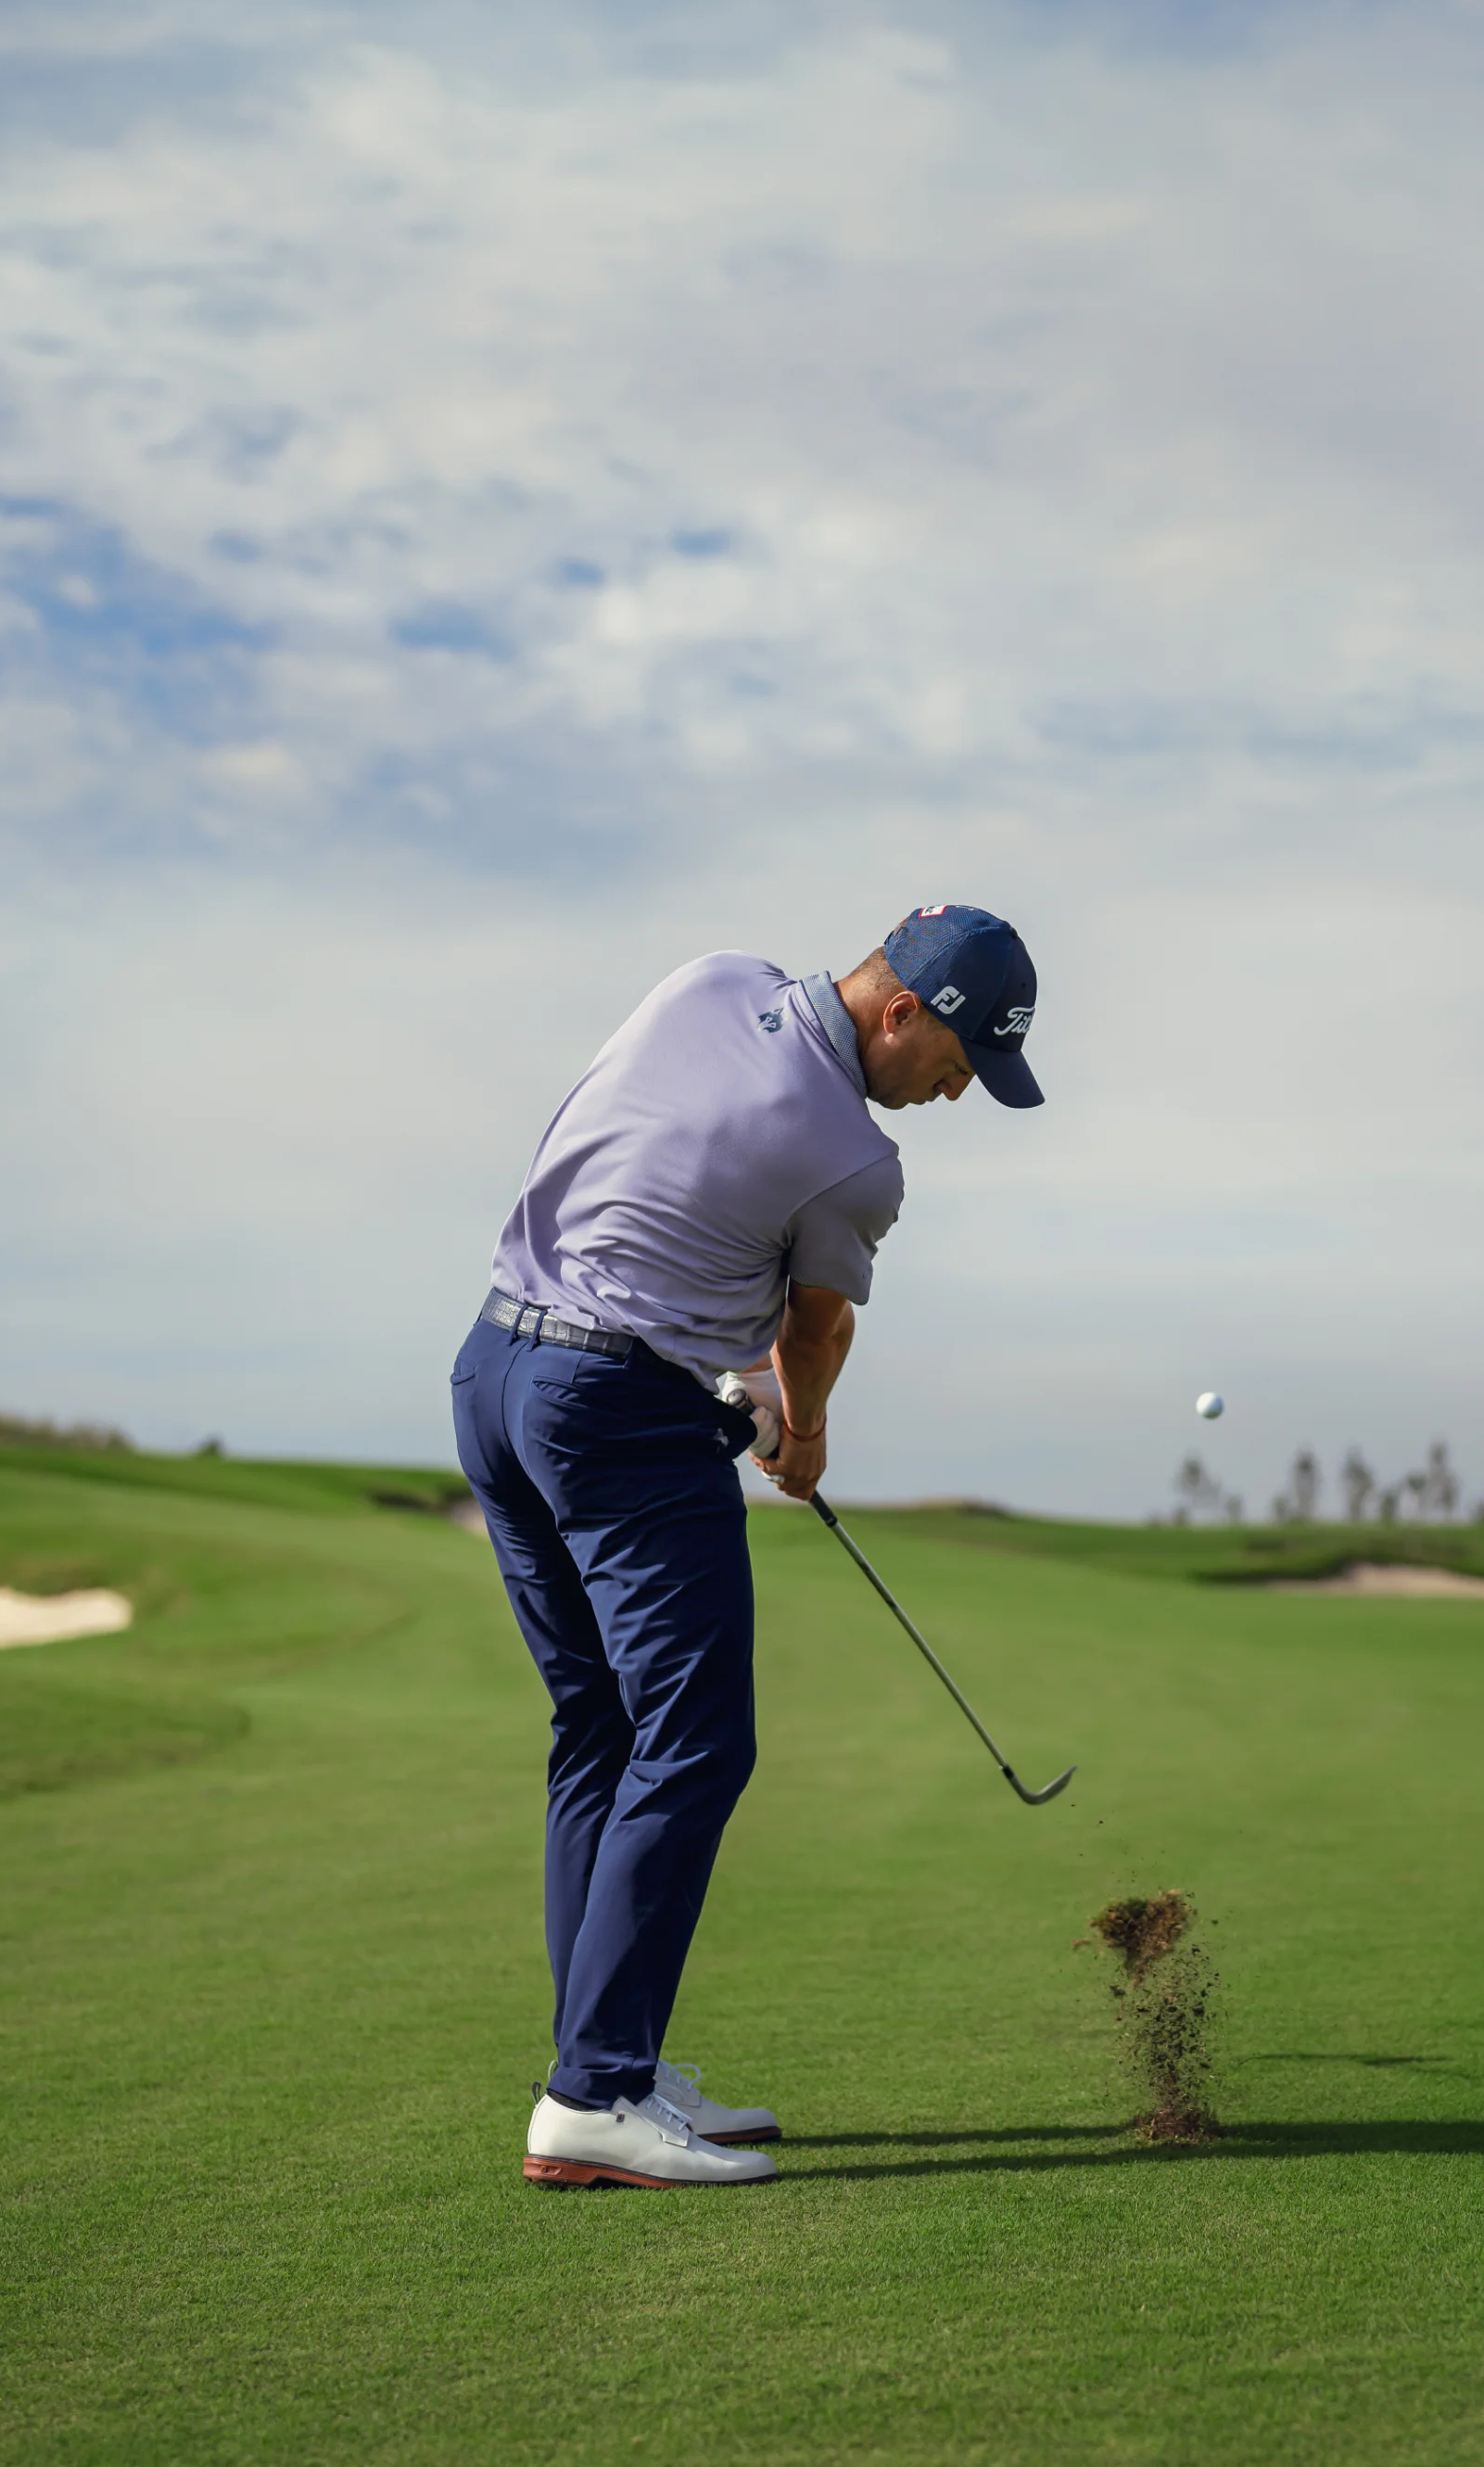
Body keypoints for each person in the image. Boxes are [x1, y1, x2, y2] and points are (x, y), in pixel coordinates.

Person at [451, 905, 1044, 2189]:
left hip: (495, 1372)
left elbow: (661, 1172)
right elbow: (813, 1335)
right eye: (957, 1065)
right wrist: (802, 1432)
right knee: (696, 1740)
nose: (952, 1095)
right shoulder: (858, 1162)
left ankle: (606, 2062)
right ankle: (592, 2093)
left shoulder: (710, 979)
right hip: (616, 1414)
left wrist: (730, 1366)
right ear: (902, 1013)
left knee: (600, 1729)